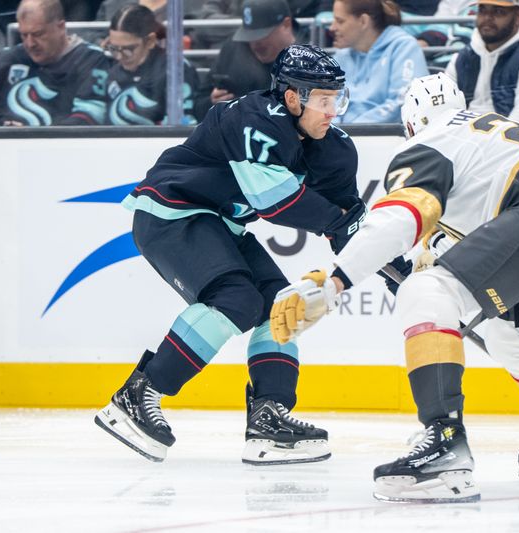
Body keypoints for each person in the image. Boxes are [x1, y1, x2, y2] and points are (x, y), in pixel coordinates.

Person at [269, 72, 519, 502]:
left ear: (410, 124)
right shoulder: (484, 133)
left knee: (424, 291)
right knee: (510, 334)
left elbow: (404, 215)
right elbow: (489, 227)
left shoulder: (428, 141)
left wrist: (334, 281)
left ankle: (444, 441)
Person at [94, 44, 368, 465]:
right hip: (170, 211)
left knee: (281, 306)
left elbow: (349, 225)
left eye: (338, 100)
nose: (333, 112)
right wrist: (341, 223)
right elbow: (275, 201)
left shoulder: (335, 149)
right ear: (292, 97)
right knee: (236, 299)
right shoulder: (253, 118)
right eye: (323, 100)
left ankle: (268, 418)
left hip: (219, 222)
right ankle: (139, 394)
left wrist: (395, 263)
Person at [0, 0, 111, 126]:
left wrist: (30, 135)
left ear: (61, 27)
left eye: (38, 34)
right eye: (24, 35)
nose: (30, 44)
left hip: (59, 143)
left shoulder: (90, 59)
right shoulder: (6, 58)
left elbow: (90, 116)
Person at [445, 0, 519, 124]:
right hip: (462, 136)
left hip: (511, 139)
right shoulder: (462, 57)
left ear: (518, 17)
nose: (487, 18)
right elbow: (444, 109)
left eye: (498, 12)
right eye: (482, 10)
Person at [91, 4, 201, 125]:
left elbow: (184, 122)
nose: (119, 56)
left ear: (150, 41)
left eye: (128, 49)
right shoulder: (111, 70)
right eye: (113, 48)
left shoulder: (176, 70)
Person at [329, 0, 429, 123]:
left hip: (389, 137)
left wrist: (353, 131)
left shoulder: (404, 47)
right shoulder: (341, 55)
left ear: (363, 21)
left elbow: (403, 104)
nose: (332, 27)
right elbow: (329, 105)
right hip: (344, 137)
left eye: (340, 21)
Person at [209, 0, 296, 105]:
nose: (255, 43)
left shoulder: (308, 60)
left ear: (286, 25)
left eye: (262, 35)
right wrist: (212, 103)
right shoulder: (233, 49)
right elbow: (198, 102)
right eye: (249, 35)